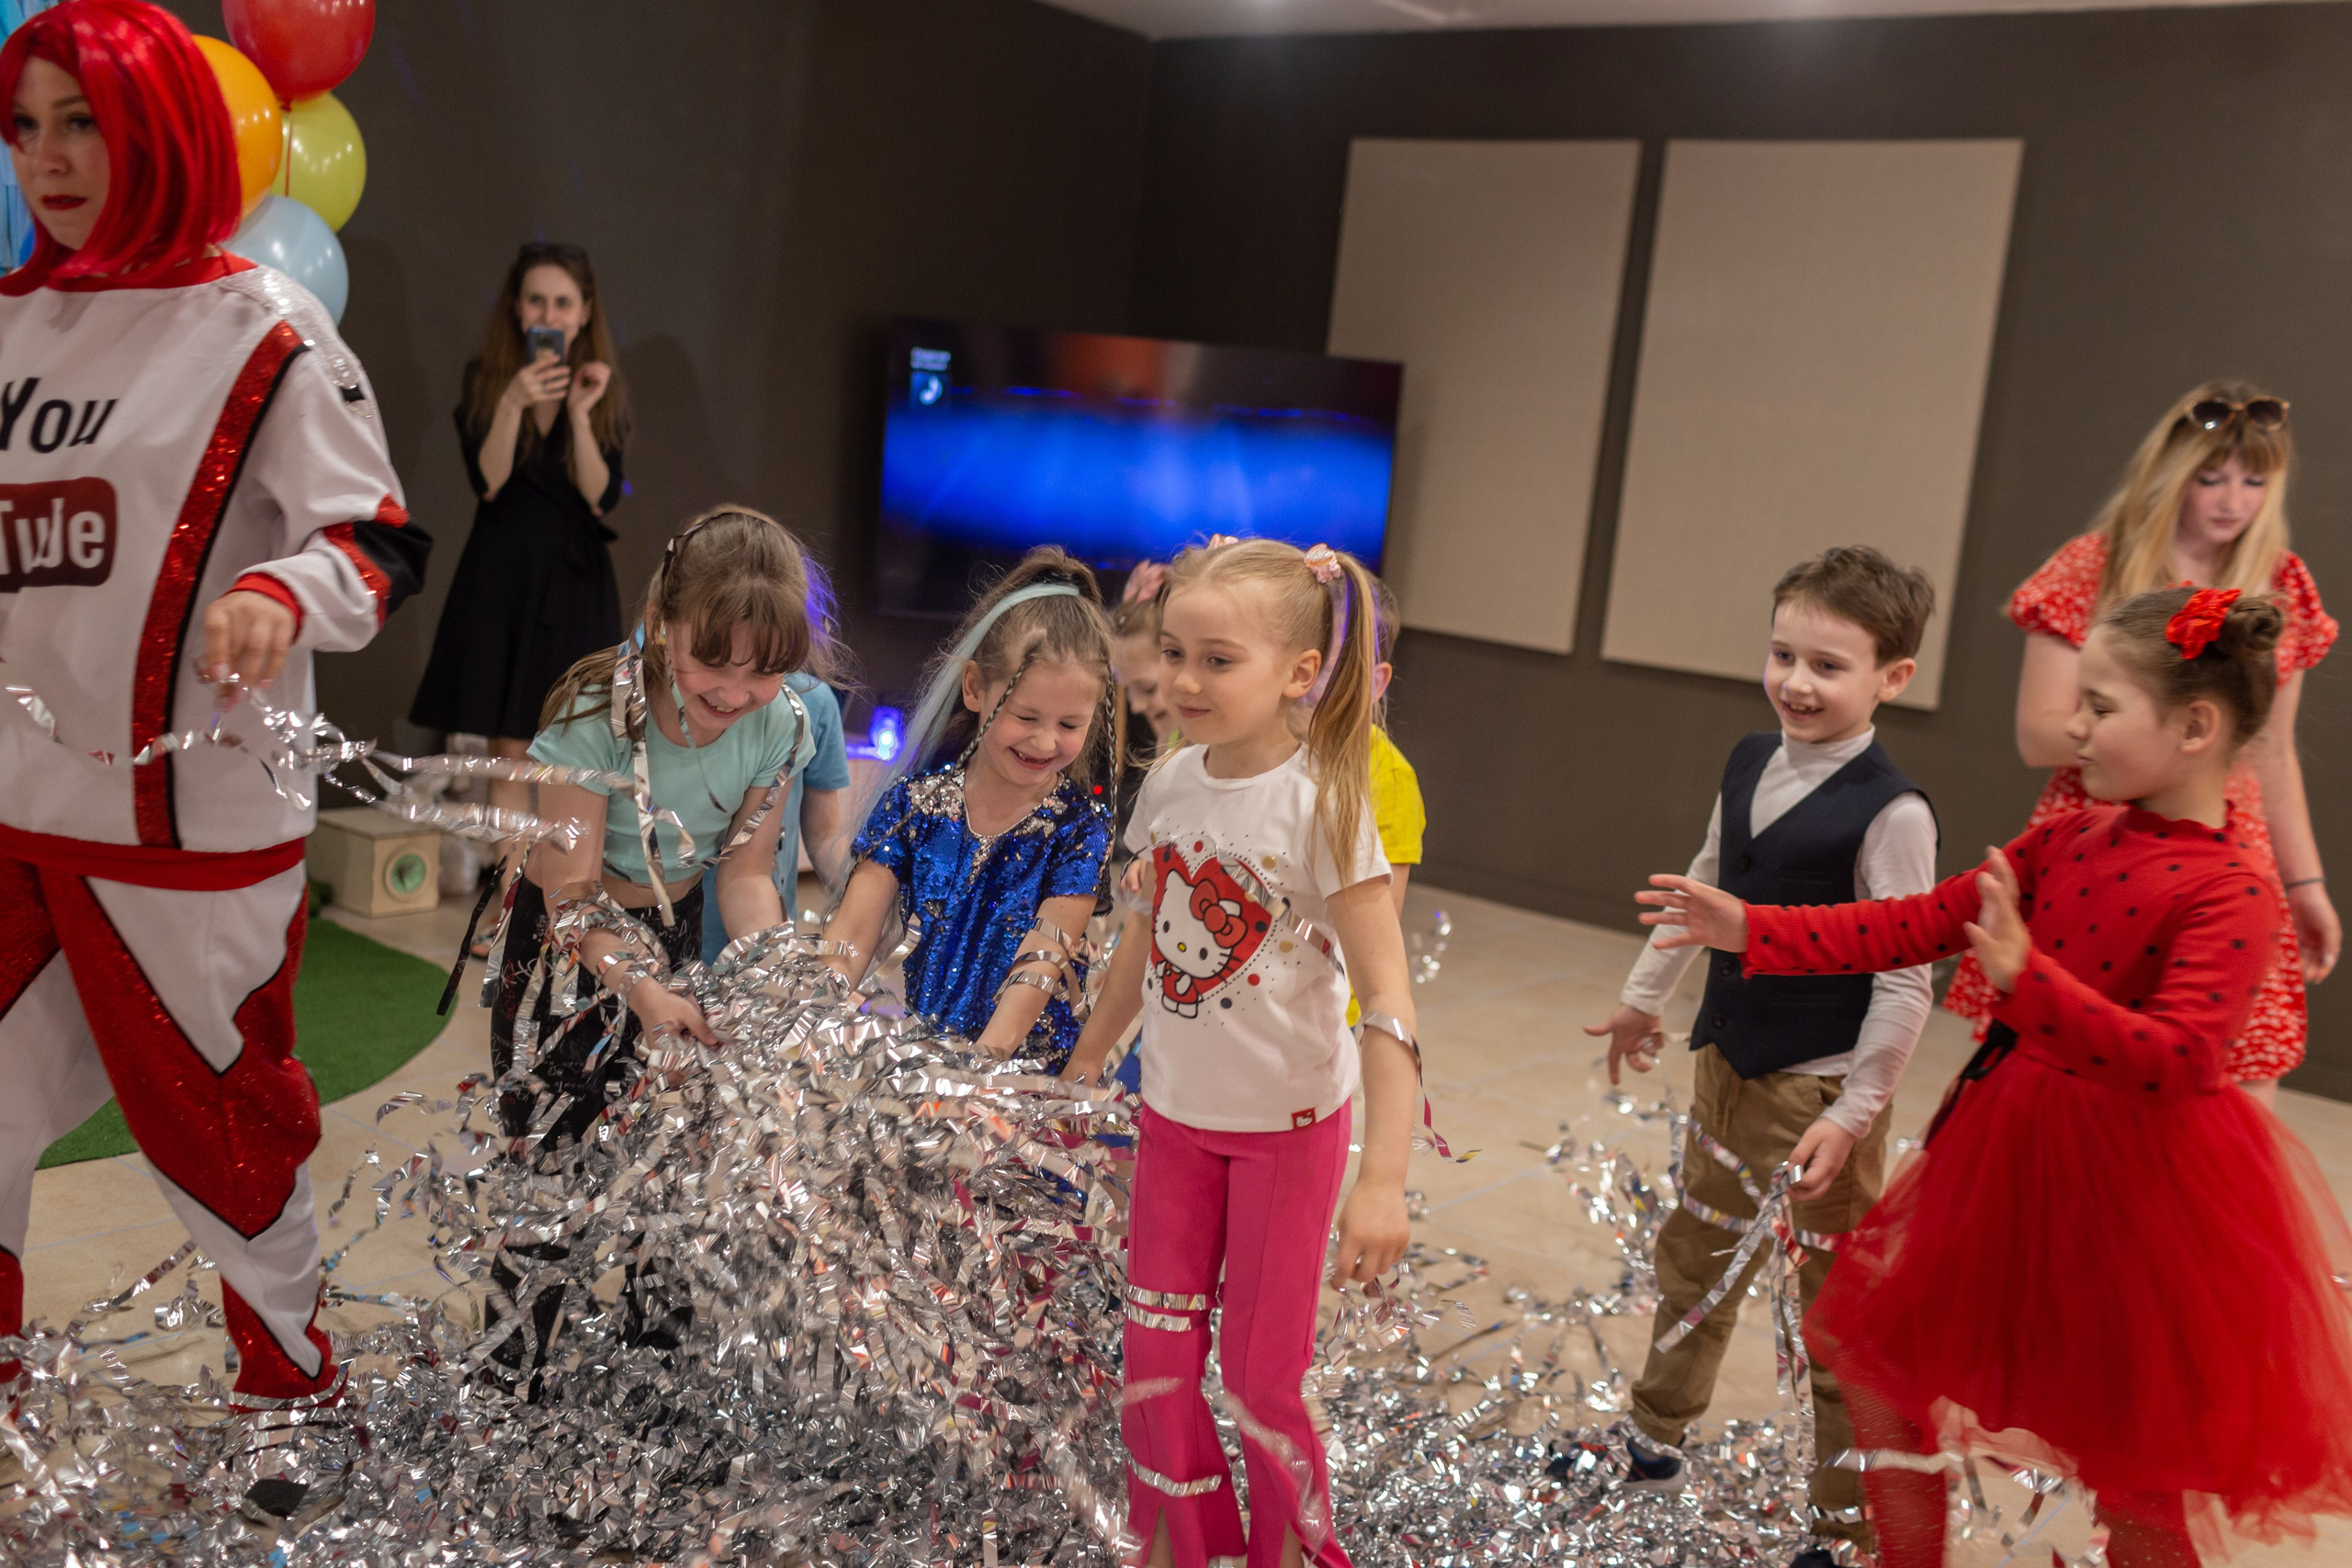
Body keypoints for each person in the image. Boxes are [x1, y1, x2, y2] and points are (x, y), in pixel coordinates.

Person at [1640, 586, 2352, 1568]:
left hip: (2131, 1201)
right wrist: (1753, 929)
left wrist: (2030, 981)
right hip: (2004, 1147)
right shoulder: (2069, 836)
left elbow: (2180, 1060)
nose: (2073, 725)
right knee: (1882, 1366)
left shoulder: (2231, 892)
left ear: (2195, 726)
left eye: (2101, 707)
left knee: (2132, 1462)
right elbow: (1910, 923)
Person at [0, 0, 429, 1516]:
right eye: (29, 125)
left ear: (160, 131)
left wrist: (275, 591)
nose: (50, 158)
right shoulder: (8, 318)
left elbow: (375, 540)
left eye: (84, 123)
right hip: (13, 805)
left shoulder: (265, 326)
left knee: (221, 1141)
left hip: (189, 815)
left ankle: (292, 1400)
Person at [1061, 537, 1422, 1568]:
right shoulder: (1169, 784)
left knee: (1264, 1382)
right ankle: (1193, 1546)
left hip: (1286, 1137)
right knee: (1156, 1368)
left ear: (1299, 674)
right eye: (1173, 654)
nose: (1181, 681)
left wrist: (1384, 1182)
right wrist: (1089, 1063)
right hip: (1176, 1123)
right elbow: (1141, 938)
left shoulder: (1329, 803)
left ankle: (1295, 1553)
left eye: (1217, 661)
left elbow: (1389, 1000)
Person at [1577, 547, 1937, 1563]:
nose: (1795, 682)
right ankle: (1651, 1441)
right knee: (1693, 1260)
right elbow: (1700, 886)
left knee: (1834, 1317)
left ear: (1891, 679)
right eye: (1783, 653)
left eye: (1828, 665)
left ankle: (1842, 1524)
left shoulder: (1893, 812)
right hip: (1726, 1068)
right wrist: (1645, 1001)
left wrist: (1851, 1113)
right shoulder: (1749, 758)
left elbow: (1907, 978)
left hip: (1819, 1094)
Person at [1949, 383, 2337, 1106]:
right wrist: (2134, 724)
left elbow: (2273, 754)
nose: (2233, 500)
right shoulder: (2094, 566)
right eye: (2211, 477)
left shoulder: (2279, 584)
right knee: (2066, 1056)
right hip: (2109, 838)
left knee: (2234, 1079)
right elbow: (2039, 731)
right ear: (2172, 473)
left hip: (2231, 847)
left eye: (2255, 481)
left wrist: (2305, 884)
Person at [492, 508, 833, 1150]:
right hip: (560, 948)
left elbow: (746, 873)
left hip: (674, 934)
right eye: (712, 661)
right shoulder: (596, 714)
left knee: (656, 1171)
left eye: (762, 671)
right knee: (553, 1173)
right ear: (659, 622)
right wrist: (641, 989)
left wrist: (776, 973)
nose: (734, 693)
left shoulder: (783, 724)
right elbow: (571, 895)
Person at [823, 547, 1118, 1072]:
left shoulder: (1078, 830)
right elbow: (853, 932)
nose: (1046, 741)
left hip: (1017, 1081)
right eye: (1025, 715)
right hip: (923, 1065)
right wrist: (817, 1015)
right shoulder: (913, 807)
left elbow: (1040, 964)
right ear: (977, 687)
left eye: (1071, 725)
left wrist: (981, 1070)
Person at [409, 242, 630, 890]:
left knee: (568, 753)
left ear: (585, 311)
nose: (550, 313)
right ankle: (508, 903)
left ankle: (562, 903)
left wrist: (581, 417)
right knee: (510, 751)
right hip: (503, 575)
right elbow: (490, 480)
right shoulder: (488, 379)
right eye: (537, 299)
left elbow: (601, 494)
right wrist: (512, 402)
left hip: (573, 579)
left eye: (564, 302)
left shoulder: (601, 388)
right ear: (515, 305)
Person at [695, 669, 850, 967]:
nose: (734, 697)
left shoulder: (800, 711)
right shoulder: (631, 700)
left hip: (761, 941)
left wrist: (872, 902)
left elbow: (823, 834)